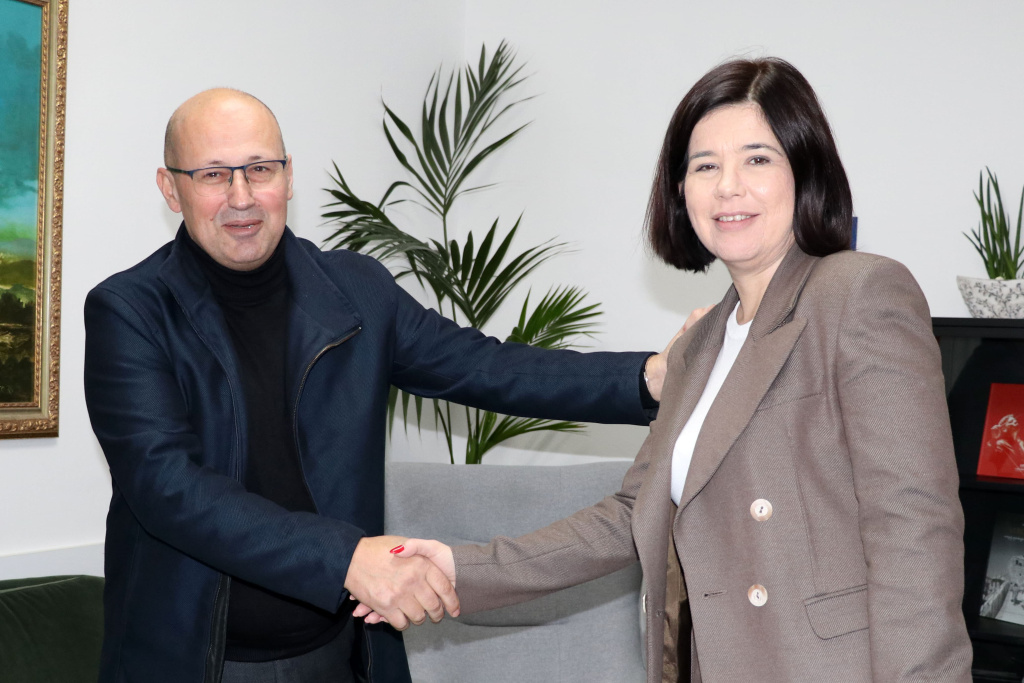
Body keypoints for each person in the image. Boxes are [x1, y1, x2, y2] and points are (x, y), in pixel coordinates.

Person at [378, 58, 974, 681]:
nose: (728, 187)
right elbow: (628, 515)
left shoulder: (858, 292)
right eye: (705, 166)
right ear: (680, 192)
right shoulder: (696, 348)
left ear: (805, 172)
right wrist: (459, 568)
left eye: (758, 159)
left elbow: (913, 525)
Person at [82, 88, 690, 683]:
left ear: (288, 176)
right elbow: (169, 487)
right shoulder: (129, 311)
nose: (242, 197)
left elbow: (485, 366)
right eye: (214, 175)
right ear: (171, 188)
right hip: (195, 661)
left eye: (260, 169)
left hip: (339, 651)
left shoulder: (354, 289)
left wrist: (646, 377)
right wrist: (346, 559)